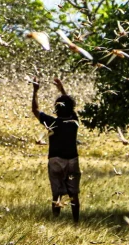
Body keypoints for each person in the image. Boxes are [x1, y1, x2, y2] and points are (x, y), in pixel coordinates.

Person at [32, 77, 81, 223]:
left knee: (57, 194)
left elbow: (35, 110)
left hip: (55, 160)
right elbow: (71, 108)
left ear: (56, 109)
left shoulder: (52, 122)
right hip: (72, 160)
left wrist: (35, 91)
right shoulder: (74, 122)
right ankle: (76, 222)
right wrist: (62, 89)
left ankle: (56, 221)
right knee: (73, 195)